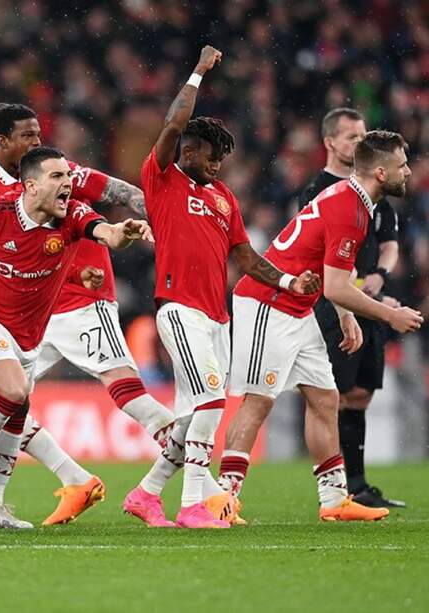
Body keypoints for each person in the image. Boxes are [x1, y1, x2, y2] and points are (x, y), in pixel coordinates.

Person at [0, 103, 169, 530]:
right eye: (28, 135)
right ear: (1, 141)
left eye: (36, 135)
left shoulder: (59, 173)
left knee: (13, 400)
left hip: (60, 304)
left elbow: (118, 196)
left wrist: (160, 217)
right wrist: (1, 274)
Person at [123, 46, 321, 529]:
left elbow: (246, 258)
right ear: (189, 152)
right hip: (179, 309)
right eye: (211, 159)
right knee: (211, 401)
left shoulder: (225, 198)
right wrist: (197, 72)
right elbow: (173, 124)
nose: (217, 167)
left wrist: (291, 281)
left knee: (192, 416)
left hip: (218, 318)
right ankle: (194, 505)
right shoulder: (163, 179)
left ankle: (146, 494)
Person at [219, 130, 421, 522]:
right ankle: (223, 498)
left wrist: (346, 316)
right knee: (259, 401)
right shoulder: (351, 209)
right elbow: (337, 286)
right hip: (268, 303)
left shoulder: (352, 201)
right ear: (381, 173)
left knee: (325, 397)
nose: (408, 172)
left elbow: (329, 274)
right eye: (402, 166)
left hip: (299, 306)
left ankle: (333, 500)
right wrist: (389, 315)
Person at [302, 108, 404, 508]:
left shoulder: (375, 192)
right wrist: (366, 292)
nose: (359, 143)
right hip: (334, 306)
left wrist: (380, 274)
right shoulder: (319, 192)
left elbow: (389, 241)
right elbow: (319, 261)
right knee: (335, 395)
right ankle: (337, 488)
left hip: (368, 304)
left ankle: (358, 484)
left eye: (363, 136)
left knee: (360, 393)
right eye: (352, 137)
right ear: (329, 142)